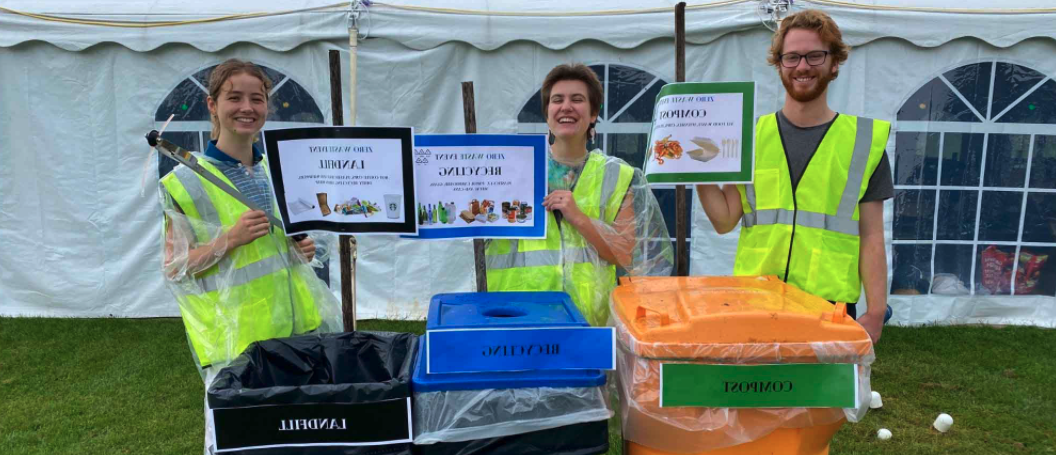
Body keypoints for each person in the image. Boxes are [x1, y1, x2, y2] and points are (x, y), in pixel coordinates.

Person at [158, 59, 343, 454]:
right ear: (212, 105)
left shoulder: (281, 171)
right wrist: (229, 239)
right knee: (240, 444)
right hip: (235, 346)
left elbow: (286, 248)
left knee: (299, 442)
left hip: (300, 335)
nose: (247, 107)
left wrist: (301, 250)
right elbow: (174, 268)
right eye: (234, 97)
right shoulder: (186, 181)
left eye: (257, 99)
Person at [695, 10, 893, 343]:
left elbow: (872, 235)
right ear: (780, 64)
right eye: (792, 57)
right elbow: (725, 220)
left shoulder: (863, 142)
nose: (802, 66)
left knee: (823, 397)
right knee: (759, 395)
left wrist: (876, 311)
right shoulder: (750, 137)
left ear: (834, 63)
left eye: (815, 55)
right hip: (756, 301)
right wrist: (696, 169)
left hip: (829, 306)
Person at [486, 63, 673, 326]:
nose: (566, 107)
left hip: (586, 319)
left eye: (578, 99)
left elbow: (626, 255)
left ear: (594, 113)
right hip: (514, 315)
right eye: (557, 100)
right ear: (547, 113)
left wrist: (579, 218)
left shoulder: (618, 176)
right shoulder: (510, 168)